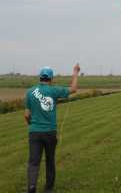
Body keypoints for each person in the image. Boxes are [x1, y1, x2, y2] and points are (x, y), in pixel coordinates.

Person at [25, 64, 80, 193]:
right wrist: (75, 72)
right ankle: (48, 189)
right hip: (50, 132)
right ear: (51, 78)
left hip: (34, 132)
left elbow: (26, 115)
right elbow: (73, 89)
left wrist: (32, 125)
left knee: (34, 161)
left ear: (40, 77)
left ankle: (32, 187)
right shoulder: (54, 91)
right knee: (50, 160)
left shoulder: (29, 92)